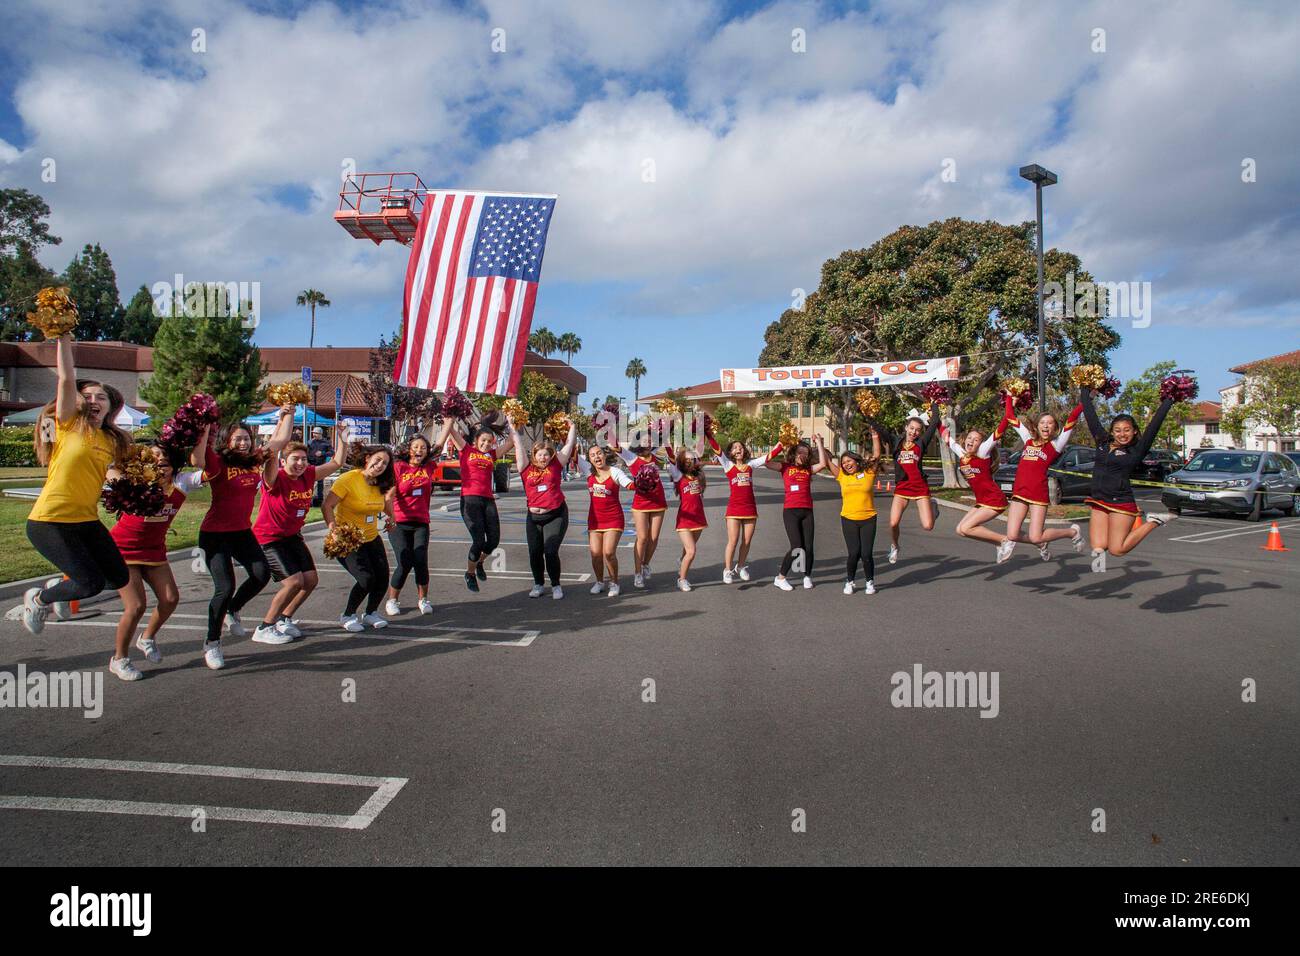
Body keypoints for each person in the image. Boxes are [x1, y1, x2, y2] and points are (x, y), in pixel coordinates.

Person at [24, 332, 133, 635]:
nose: (94, 400)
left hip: (86, 521)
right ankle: (39, 598)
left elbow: (110, 472)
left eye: (102, 397)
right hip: (51, 521)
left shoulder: (111, 440)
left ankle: (61, 587)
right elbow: (65, 378)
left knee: (117, 578)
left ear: (111, 406)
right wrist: (63, 339)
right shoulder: (68, 425)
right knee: (90, 584)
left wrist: (131, 488)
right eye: (87, 396)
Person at [191, 407, 293, 669]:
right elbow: (197, 461)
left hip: (240, 531)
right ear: (227, 440)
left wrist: (287, 414)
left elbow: (279, 441)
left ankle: (233, 610)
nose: (243, 442)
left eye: (246, 438)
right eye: (237, 438)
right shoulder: (219, 462)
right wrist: (203, 427)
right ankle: (212, 643)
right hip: (214, 535)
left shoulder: (254, 460)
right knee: (224, 587)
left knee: (261, 574)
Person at [105, 435, 210, 679]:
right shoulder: (133, 481)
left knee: (171, 599)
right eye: (153, 459)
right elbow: (108, 472)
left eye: (164, 459)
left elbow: (207, 470)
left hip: (153, 550)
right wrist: (117, 471)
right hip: (123, 550)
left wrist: (203, 431)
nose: (160, 463)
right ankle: (119, 659)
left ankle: (147, 637)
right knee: (136, 606)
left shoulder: (180, 482)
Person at [251, 427, 348, 643]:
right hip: (269, 538)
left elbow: (337, 463)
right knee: (294, 582)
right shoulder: (275, 478)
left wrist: (343, 439)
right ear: (284, 461)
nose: (301, 463)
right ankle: (264, 627)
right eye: (295, 459)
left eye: (304, 459)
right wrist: (280, 429)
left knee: (311, 580)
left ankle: (284, 619)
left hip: (292, 536)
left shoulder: (309, 475)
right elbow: (271, 461)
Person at [1080, 385, 1179, 556]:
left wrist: (1169, 400)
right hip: (1099, 500)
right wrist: (1084, 389)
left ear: (1134, 432)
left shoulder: (1136, 450)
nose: (1122, 434)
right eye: (1118, 431)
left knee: (1117, 550)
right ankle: (1100, 576)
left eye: (1127, 430)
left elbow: (1154, 426)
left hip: (1120, 502)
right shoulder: (1102, 442)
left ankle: (1154, 521)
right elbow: (1090, 416)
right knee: (1098, 547)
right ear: (1112, 431)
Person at [997, 394, 1084, 563]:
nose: (1046, 426)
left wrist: (1084, 402)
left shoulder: (1055, 445)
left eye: (1050, 423)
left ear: (1054, 428)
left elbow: (1071, 421)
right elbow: (1010, 417)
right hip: (1020, 492)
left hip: (1038, 493)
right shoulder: (1028, 439)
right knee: (1012, 534)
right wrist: (1009, 397)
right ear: (1036, 426)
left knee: (1036, 537)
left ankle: (1072, 532)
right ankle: (1043, 544)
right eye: (1043, 422)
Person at [323, 445, 396, 631]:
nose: (380, 465)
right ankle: (347, 615)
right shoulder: (349, 479)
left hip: (371, 537)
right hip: (348, 537)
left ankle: (371, 613)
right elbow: (327, 505)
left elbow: (384, 506)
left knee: (382, 577)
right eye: (377, 460)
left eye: (385, 463)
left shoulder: (381, 483)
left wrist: (392, 518)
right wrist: (333, 529)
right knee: (365, 578)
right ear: (367, 458)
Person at [509, 417, 578, 599]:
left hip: (556, 514)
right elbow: (517, 445)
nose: (543, 457)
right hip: (533, 518)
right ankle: (538, 584)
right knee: (534, 552)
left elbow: (568, 446)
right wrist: (512, 426)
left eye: (546, 454)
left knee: (550, 551)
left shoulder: (556, 465)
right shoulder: (525, 468)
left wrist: (572, 427)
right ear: (534, 455)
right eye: (540, 454)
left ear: (550, 455)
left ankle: (556, 585)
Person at [438, 417, 500, 592]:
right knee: (478, 540)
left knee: (494, 540)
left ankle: (479, 562)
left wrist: (513, 421)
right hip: (469, 500)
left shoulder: (492, 455)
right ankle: (470, 574)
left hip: (488, 500)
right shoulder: (466, 450)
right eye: (483, 441)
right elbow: (451, 430)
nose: (486, 444)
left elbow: (512, 442)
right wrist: (450, 415)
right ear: (476, 441)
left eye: (490, 441)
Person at [939, 408, 1013, 556]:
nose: (971, 441)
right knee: (960, 530)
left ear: (981, 444)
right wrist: (935, 418)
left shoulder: (982, 453)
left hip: (994, 500)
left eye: (976, 439)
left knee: (967, 528)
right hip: (982, 501)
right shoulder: (962, 454)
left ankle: (1005, 540)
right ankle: (999, 543)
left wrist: (1010, 411)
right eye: (970, 438)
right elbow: (946, 438)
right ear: (965, 439)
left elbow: (999, 431)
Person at [818, 427, 883, 595]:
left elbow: (876, 455)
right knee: (854, 553)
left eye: (849, 461)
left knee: (866, 554)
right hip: (848, 519)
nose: (847, 464)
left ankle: (870, 582)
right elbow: (826, 462)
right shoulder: (841, 476)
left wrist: (875, 436)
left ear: (856, 460)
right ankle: (850, 581)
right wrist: (820, 444)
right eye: (844, 463)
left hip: (869, 518)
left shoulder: (868, 472)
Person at [710, 438, 783, 584]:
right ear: (730, 452)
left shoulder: (750, 464)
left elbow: (768, 457)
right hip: (734, 509)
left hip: (750, 508)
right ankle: (727, 570)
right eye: (735, 447)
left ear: (744, 451)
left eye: (741, 447)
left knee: (747, 540)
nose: (738, 449)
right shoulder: (728, 465)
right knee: (733, 541)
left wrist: (781, 444)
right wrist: (708, 433)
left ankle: (741, 566)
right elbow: (717, 449)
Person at [875, 412, 940, 565]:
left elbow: (935, 421)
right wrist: (867, 414)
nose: (914, 432)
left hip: (920, 489)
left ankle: (933, 506)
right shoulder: (896, 442)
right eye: (911, 428)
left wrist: (934, 401)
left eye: (917, 430)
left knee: (928, 526)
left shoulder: (921, 443)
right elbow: (881, 430)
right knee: (893, 523)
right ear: (906, 427)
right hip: (902, 488)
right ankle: (895, 546)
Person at [385, 432, 439, 615]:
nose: (419, 450)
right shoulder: (399, 467)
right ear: (408, 449)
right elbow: (390, 495)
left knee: (421, 560)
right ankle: (392, 600)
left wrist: (450, 420)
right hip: (399, 522)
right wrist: (390, 515)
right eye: (415, 447)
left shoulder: (429, 467)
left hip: (421, 522)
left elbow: (439, 445)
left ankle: (423, 600)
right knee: (405, 561)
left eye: (423, 448)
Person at [765, 437, 827, 591]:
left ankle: (807, 576)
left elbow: (824, 464)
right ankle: (780, 578)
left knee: (809, 547)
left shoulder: (808, 469)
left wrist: (819, 443)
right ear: (794, 453)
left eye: (805, 453)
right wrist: (780, 445)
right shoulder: (785, 467)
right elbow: (766, 462)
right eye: (800, 452)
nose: (802, 455)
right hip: (791, 511)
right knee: (796, 547)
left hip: (807, 511)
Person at [579, 445, 634, 595]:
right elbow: (570, 452)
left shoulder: (615, 472)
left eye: (599, 453)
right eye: (592, 455)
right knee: (596, 553)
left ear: (604, 455)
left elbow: (629, 484)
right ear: (589, 459)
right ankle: (599, 582)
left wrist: (642, 482)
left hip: (613, 519)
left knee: (609, 552)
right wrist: (565, 430)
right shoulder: (588, 471)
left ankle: (614, 583)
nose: (596, 457)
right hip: (595, 520)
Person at [614, 439, 667, 589]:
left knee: (654, 537)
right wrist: (607, 426)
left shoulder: (655, 455)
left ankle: (645, 564)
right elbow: (616, 446)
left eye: (650, 440)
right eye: (644, 441)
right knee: (642, 538)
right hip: (641, 502)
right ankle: (637, 573)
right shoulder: (631, 458)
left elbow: (665, 433)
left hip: (658, 501)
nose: (649, 443)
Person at [667, 444, 708, 591]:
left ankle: (681, 561)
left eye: (693, 459)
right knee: (691, 551)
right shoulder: (679, 476)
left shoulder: (698, 476)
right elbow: (671, 460)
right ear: (682, 462)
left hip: (699, 518)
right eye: (687, 460)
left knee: (687, 550)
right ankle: (682, 579)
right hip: (684, 519)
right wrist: (665, 439)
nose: (690, 462)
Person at [308, 426, 333, 505]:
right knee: (310, 482)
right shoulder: (310, 442)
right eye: (313, 433)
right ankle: (309, 499)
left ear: (320, 434)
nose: (314, 435)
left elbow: (332, 453)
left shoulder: (326, 443)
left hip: (320, 465)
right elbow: (306, 452)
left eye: (315, 433)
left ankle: (320, 499)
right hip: (311, 465)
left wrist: (322, 453)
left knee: (320, 482)